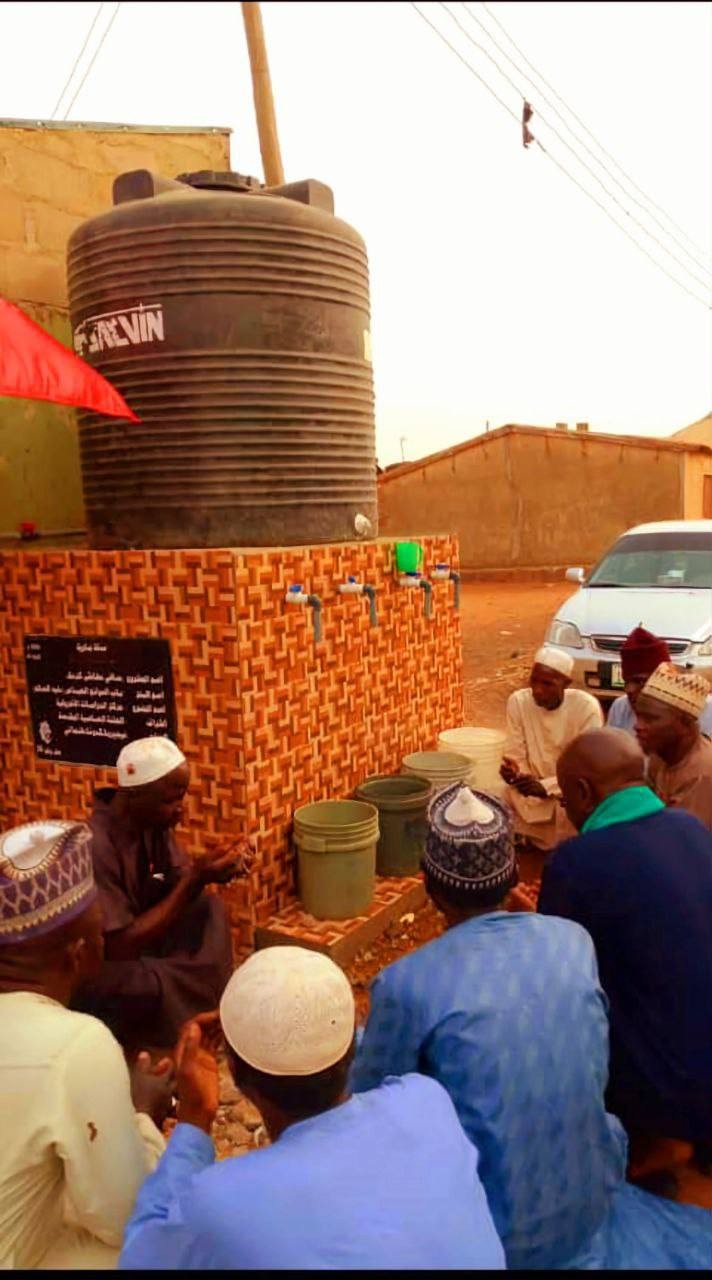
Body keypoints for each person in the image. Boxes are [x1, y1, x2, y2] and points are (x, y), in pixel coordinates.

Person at [351, 782, 712, 1270]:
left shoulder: (406, 984)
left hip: (495, 1236)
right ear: (514, 874)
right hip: (590, 1201)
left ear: (430, 885)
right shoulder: (573, 942)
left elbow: (368, 1101)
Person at [119, 946, 505, 1271]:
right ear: (352, 1048)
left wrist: (193, 1118)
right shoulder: (425, 1101)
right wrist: (320, 1027)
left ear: (232, 1071)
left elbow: (140, 1255)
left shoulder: (221, 1202)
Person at [539, 727, 712, 1191]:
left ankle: (649, 1142)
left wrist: (532, 928)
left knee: (569, 1017)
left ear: (582, 792)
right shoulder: (691, 829)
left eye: (566, 800)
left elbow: (557, 973)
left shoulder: (576, 862)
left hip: (673, 1091)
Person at [0, 819, 171, 1269]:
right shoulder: (76, 1045)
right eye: (99, 931)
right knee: (156, 1240)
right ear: (77, 954)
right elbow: (126, 1216)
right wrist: (143, 1113)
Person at [74, 736, 250, 1051]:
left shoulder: (151, 823)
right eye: (171, 800)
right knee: (147, 984)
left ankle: (196, 1004)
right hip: (112, 962)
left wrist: (218, 867)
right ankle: (188, 1021)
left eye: (181, 797)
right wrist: (195, 878)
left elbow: (173, 879)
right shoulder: (95, 845)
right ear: (134, 796)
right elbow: (119, 946)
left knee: (208, 909)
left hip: (147, 940)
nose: (179, 809)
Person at [500, 645, 603, 850]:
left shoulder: (585, 707)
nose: (538, 690)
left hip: (565, 790)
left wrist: (547, 787)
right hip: (529, 789)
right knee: (495, 795)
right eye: (534, 681)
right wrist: (517, 775)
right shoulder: (518, 702)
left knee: (579, 804)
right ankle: (527, 838)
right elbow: (515, 753)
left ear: (566, 683)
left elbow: (587, 767)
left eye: (547, 684)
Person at [635, 664, 712, 829]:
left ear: (684, 724)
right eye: (638, 716)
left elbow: (683, 839)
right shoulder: (661, 754)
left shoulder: (703, 774)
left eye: (650, 719)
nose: (637, 726)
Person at [607, 626, 712, 737]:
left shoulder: (708, 709)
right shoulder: (621, 707)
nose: (629, 689)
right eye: (626, 682)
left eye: (640, 681)